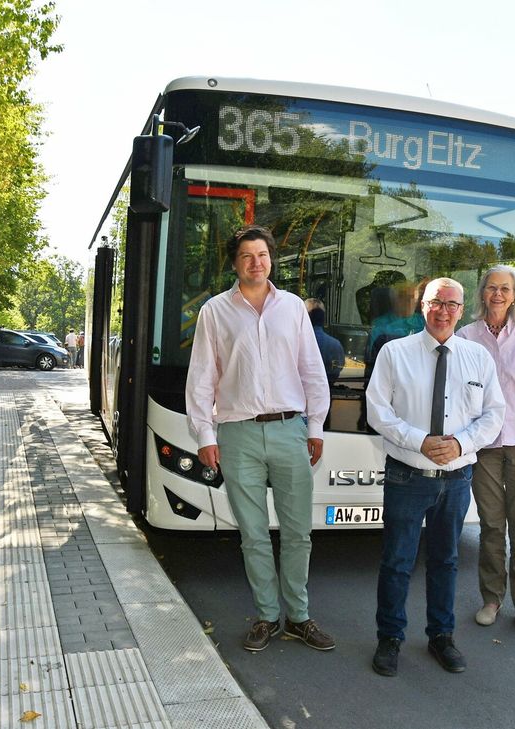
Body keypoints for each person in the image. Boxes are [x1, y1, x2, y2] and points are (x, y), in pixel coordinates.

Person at [186, 225, 335, 653]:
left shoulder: (292, 308)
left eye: (263, 255)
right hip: (237, 435)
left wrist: (315, 426)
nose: (256, 262)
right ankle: (268, 617)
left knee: (297, 533)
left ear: (272, 260)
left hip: (291, 429)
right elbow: (202, 378)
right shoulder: (215, 311)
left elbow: (312, 369)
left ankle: (299, 617)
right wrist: (204, 434)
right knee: (252, 534)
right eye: (248, 255)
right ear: (235, 263)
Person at [366, 278, 505, 676]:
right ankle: (389, 638)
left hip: (457, 479)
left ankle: (441, 636)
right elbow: (378, 410)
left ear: (462, 310)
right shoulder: (395, 353)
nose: (443, 311)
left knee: (446, 561)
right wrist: (419, 441)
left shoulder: (478, 358)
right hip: (407, 475)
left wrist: (461, 444)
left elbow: (495, 413)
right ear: (421, 307)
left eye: (451, 304)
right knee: (397, 561)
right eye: (435, 302)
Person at [456, 265, 515, 636]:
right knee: (491, 525)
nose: (498, 294)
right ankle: (492, 598)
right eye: (492, 287)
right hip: (483, 445)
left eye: (506, 289)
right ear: (482, 293)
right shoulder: (466, 336)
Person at [304, 298, 345, 385]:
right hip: (327, 393)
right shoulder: (336, 345)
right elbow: (338, 369)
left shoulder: (295, 343)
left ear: (306, 316)